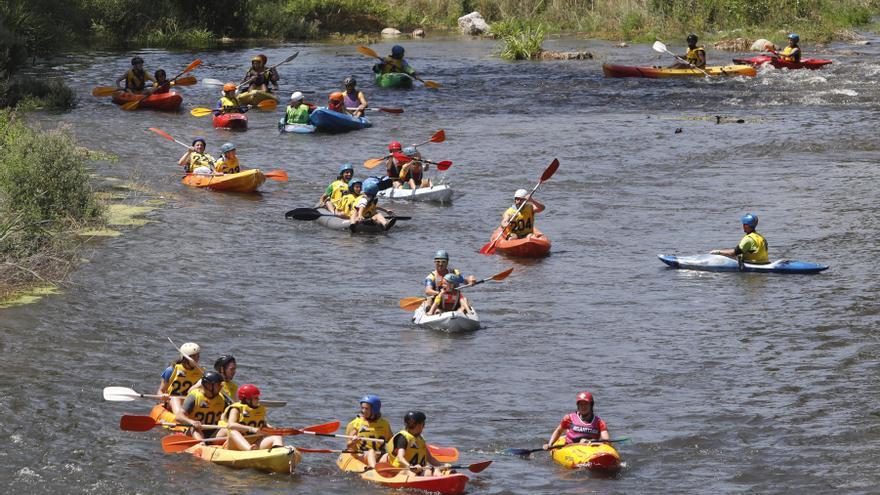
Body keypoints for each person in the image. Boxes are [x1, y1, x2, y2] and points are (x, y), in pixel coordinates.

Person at [382, 411, 449, 476]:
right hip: (402, 470)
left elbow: (430, 458)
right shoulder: (403, 438)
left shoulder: (420, 439)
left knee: (439, 470)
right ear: (420, 425)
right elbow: (400, 457)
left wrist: (442, 465)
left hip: (419, 469)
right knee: (426, 472)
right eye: (422, 424)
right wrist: (410, 466)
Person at [222, 384, 285, 451]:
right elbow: (231, 425)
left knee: (277, 435)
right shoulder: (236, 409)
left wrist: (274, 430)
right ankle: (249, 449)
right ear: (247, 399)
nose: (258, 400)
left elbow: (263, 425)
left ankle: (279, 451)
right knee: (233, 432)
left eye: (258, 397)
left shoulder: (260, 409)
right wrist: (252, 429)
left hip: (255, 443)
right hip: (235, 444)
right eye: (256, 398)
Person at [543, 391, 611, 449]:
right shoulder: (569, 418)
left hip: (591, 448)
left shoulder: (599, 422)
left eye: (586, 404)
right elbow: (558, 431)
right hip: (571, 448)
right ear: (578, 406)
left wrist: (592, 441)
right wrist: (550, 444)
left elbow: (607, 441)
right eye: (581, 404)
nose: (583, 407)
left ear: (591, 405)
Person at [175, 370, 226, 442]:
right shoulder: (194, 397)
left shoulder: (222, 399)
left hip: (212, 433)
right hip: (194, 431)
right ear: (208, 385)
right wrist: (192, 422)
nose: (221, 387)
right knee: (196, 429)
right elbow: (179, 416)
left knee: (227, 431)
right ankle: (201, 445)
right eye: (218, 384)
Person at [344, 395, 392, 468]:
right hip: (363, 456)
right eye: (362, 408)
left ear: (374, 410)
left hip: (380, 456)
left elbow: (392, 442)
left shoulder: (384, 424)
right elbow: (349, 446)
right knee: (371, 452)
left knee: (389, 455)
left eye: (366, 408)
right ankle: (374, 469)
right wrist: (354, 442)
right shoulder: (357, 423)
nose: (363, 411)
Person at [157, 342, 203, 416]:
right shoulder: (171, 370)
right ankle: (181, 417)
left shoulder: (201, 372)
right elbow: (160, 391)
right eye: (194, 356)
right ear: (185, 358)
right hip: (172, 401)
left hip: (189, 403)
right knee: (175, 400)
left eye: (198, 356)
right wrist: (163, 395)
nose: (197, 359)